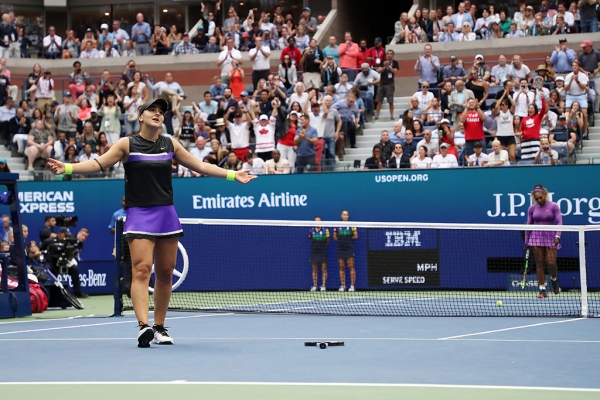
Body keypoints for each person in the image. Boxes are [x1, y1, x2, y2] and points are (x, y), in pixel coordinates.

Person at [47, 98, 255, 347]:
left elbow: (200, 164)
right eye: (152, 111)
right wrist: (68, 168)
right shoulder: (127, 144)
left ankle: (159, 326)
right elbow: (98, 163)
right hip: (139, 214)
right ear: (141, 116)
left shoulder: (170, 144)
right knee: (142, 269)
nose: (158, 114)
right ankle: (143, 326)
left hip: (166, 213)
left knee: (166, 272)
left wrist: (233, 174)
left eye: (161, 112)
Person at [526, 184, 562, 298]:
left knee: (551, 262)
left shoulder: (553, 206)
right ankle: (542, 289)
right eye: (537, 199)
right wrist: (527, 242)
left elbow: (560, 222)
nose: (539, 200)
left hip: (551, 237)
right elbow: (528, 225)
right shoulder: (532, 208)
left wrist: (558, 236)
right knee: (540, 263)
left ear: (545, 195)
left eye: (541, 197)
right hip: (536, 238)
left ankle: (554, 279)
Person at [519, 94, 547, 161]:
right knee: (525, 161)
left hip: (535, 141)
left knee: (536, 160)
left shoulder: (538, 117)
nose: (530, 109)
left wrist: (542, 98)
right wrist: (521, 133)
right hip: (525, 142)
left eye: (532, 108)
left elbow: (544, 108)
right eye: (529, 108)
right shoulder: (524, 119)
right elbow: (521, 130)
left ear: (535, 109)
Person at [334, 210, 357, 292]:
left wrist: (348, 240)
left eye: (347, 215)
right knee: (341, 267)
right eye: (344, 215)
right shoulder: (337, 226)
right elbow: (335, 237)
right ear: (341, 216)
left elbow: (355, 236)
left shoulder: (352, 225)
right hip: (340, 249)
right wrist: (341, 241)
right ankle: (343, 285)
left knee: (351, 267)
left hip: (349, 249)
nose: (345, 216)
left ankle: (352, 286)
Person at [492, 90, 517, 163]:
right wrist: (503, 96)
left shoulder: (510, 112)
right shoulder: (498, 113)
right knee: (501, 156)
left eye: (505, 104)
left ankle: (515, 168)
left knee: (512, 155)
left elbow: (514, 105)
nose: (504, 106)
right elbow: (496, 106)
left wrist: (509, 96)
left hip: (510, 136)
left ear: (507, 105)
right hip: (501, 136)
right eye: (502, 104)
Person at [309, 216, 329, 291]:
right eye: (316, 221)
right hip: (314, 251)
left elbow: (327, 241)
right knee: (314, 269)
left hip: (323, 251)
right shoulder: (311, 231)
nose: (317, 222)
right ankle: (315, 285)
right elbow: (311, 239)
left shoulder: (325, 230)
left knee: (324, 268)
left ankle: (323, 285)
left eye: (319, 221)